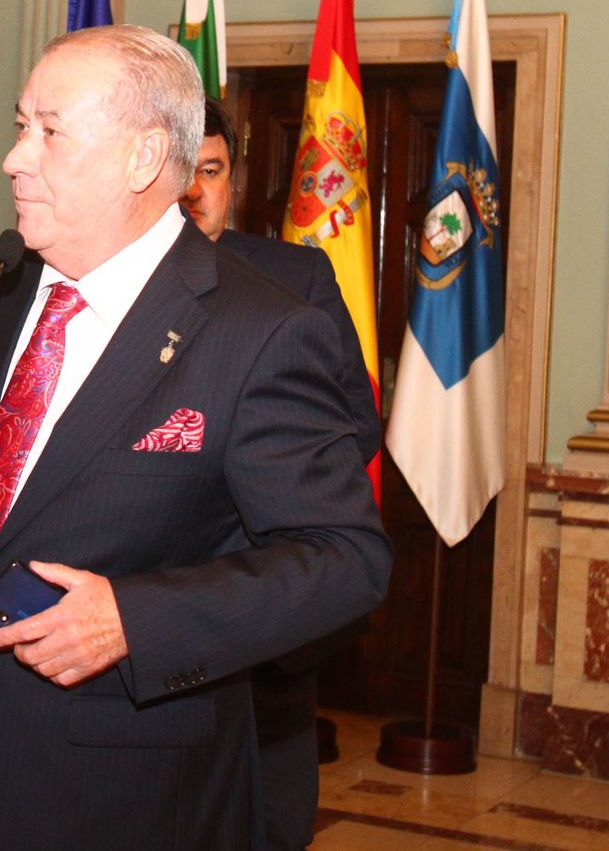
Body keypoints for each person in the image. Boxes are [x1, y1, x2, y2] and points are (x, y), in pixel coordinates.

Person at [0, 25, 391, 849]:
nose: (14, 158)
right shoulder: (1, 287)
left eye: (49, 130)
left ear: (143, 158)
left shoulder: (259, 329)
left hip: (122, 793)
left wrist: (137, 621)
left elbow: (344, 558)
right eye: (20, 126)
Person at [183, 96, 381, 849]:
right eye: (187, 171)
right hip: (146, 610)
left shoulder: (294, 275)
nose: (198, 190)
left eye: (214, 170)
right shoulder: (103, 281)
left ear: (234, 179)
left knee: (272, 825)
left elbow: (354, 420)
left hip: (264, 615)